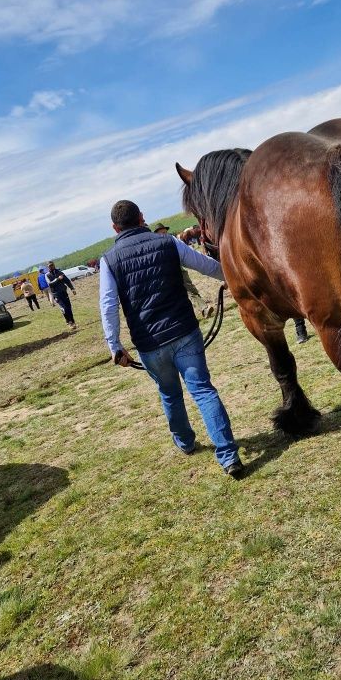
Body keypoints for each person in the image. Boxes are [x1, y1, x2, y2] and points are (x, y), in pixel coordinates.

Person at [100, 200, 243, 477]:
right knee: (203, 390)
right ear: (142, 217)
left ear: (115, 228)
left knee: (169, 393)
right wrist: (234, 276)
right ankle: (228, 456)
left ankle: (186, 442)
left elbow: (108, 306)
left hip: (150, 343)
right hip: (184, 331)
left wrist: (115, 347)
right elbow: (205, 265)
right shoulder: (167, 243)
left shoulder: (109, 260)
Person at [153, 222, 214, 320]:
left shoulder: (173, 242)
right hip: (166, 275)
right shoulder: (154, 247)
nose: (164, 234)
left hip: (179, 270)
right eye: (161, 233)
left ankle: (204, 308)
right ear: (156, 234)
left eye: (165, 232)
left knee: (191, 289)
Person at [46, 262, 77, 329]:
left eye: (52, 265)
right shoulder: (47, 275)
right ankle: (69, 322)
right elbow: (50, 284)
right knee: (64, 308)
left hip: (64, 292)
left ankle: (73, 321)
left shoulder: (59, 272)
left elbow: (67, 281)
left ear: (54, 265)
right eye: (49, 266)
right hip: (56, 294)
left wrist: (72, 289)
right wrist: (58, 279)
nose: (51, 266)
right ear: (47, 267)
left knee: (69, 307)